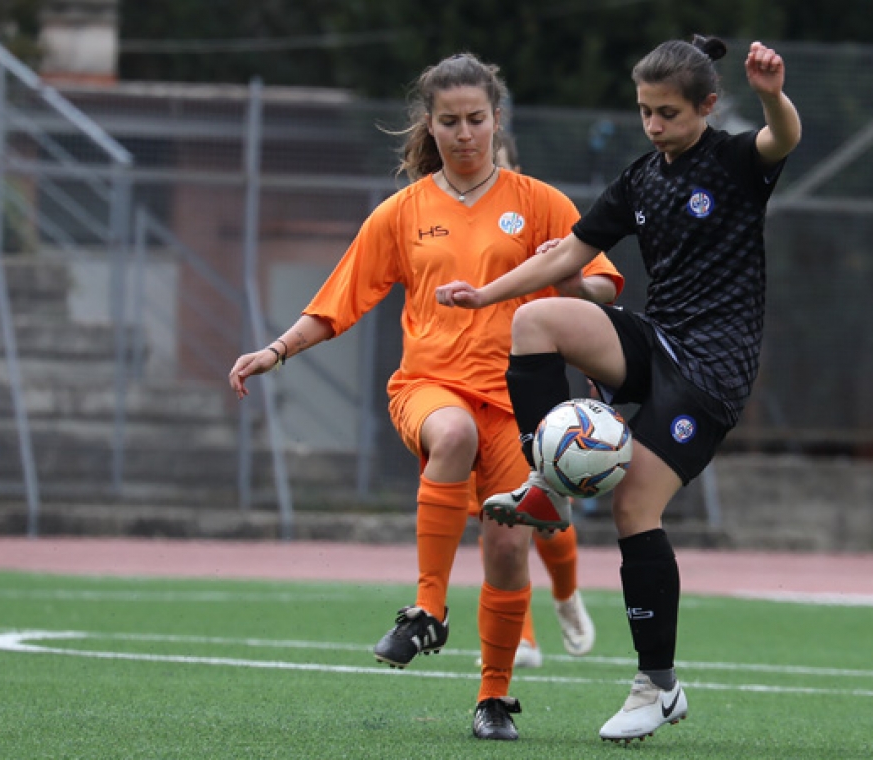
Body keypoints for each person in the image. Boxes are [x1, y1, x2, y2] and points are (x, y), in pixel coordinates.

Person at [228, 53, 623, 740]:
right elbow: (337, 303)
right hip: (429, 387)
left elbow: (603, 283)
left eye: (477, 119)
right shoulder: (403, 212)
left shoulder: (541, 203)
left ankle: (493, 700)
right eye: (450, 121)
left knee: (506, 548)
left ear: (497, 121)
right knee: (453, 436)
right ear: (429, 125)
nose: (465, 132)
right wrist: (276, 350)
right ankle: (427, 611)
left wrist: (572, 281)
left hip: (517, 404)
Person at [436, 37, 801, 742]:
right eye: (645, 112)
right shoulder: (641, 178)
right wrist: (485, 296)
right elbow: (571, 251)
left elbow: (782, 134)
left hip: (711, 369)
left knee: (635, 504)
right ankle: (548, 482)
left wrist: (771, 92)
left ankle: (656, 687)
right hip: (658, 339)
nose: (655, 125)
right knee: (539, 319)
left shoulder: (733, 161)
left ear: (707, 106)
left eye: (668, 113)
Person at [491, 132, 595, 670]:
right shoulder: (433, 211)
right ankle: (523, 635)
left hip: (528, 390)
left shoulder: (540, 207)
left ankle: (566, 595)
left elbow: (597, 287)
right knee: (500, 524)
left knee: (546, 511)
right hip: (463, 388)